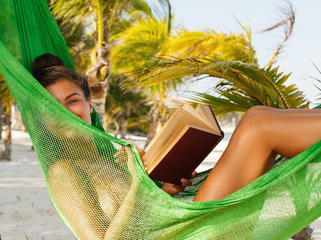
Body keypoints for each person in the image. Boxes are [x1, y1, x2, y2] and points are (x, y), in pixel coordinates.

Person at [32, 53, 321, 202]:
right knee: (258, 126)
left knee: (258, 114)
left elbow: (147, 200)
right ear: (43, 116)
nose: (63, 109)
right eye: (53, 104)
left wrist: (166, 187)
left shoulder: (107, 154)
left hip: (179, 215)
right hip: (176, 232)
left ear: (89, 106)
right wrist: (139, 185)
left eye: (72, 101)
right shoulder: (64, 170)